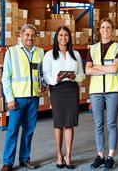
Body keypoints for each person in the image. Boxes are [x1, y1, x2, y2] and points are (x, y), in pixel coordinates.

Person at [1, 24, 46, 171]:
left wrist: (43, 85)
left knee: (29, 130)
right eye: (27, 34)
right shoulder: (12, 52)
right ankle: (7, 162)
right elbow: (6, 77)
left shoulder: (40, 52)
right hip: (18, 99)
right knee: (13, 130)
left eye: (33, 35)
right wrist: (9, 98)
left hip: (33, 97)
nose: (30, 37)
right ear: (20, 35)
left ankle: (25, 159)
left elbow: (42, 74)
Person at [85, 18, 118, 171]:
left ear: (112, 30)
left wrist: (97, 66)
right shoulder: (92, 48)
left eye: (108, 27)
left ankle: (110, 157)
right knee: (98, 124)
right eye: (103, 27)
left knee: (111, 123)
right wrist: (105, 68)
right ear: (99, 30)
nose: (106, 30)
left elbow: (115, 69)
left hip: (112, 89)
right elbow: (87, 70)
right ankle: (100, 156)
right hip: (96, 90)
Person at [42, 26, 85, 169]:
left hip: (72, 89)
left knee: (69, 123)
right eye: (60, 35)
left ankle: (68, 155)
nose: (63, 38)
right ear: (56, 37)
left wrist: (74, 76)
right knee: (59, 123)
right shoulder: (49, 55)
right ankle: (59, 155)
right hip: (57, 90)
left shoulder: (76, 54)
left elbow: (82, 75)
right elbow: (46, 75)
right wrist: (56, 79)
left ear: (69, 37)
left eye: (66, 35)